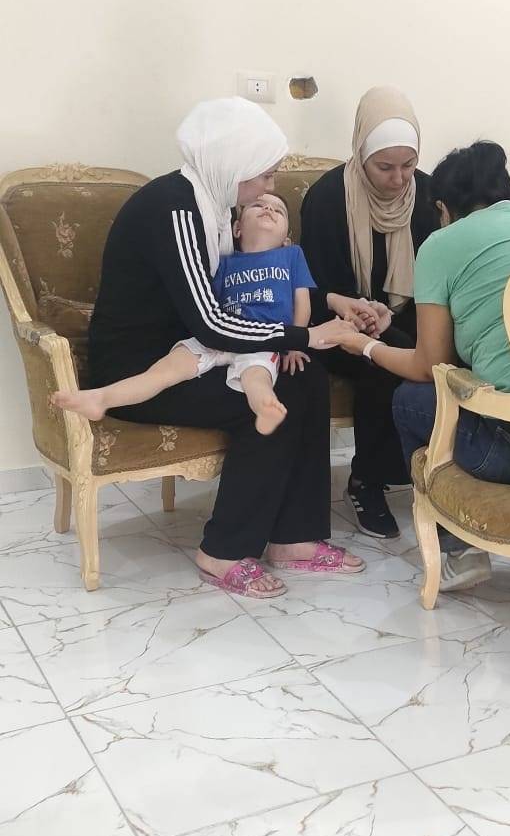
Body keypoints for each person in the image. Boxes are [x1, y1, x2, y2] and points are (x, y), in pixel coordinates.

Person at [86, 97, 364, 599]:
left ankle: (293, 538)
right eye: (264, 176)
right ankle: (224, 551)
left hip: (189, 352)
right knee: (267, 397)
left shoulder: (211, 206)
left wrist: (325, 306)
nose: (268, 189)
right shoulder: (175, 209)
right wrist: (305, 335)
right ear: (233, 165)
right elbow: (212, 322)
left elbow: (250, 287)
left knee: (304, 375)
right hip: (144, 370)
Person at [325, 141, 510, 590]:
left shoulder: (441, 244)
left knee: (411, 399)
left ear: (442, 207)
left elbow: (429, 365)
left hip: (508, 453)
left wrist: (364, 346)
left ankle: (461, 550)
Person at [300, 86, 439, 540]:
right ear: (361, 154)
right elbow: (315, 286)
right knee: (383, 359)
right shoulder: (326, 199)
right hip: (338, 324)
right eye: (385, 167)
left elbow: (436, 277)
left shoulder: (428, 195)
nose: (399, 179)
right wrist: (361, 317)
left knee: (428, 350)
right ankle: (366, 481)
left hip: (408, 317)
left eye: (408, 165)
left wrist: (394, 320)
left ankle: (438, 474)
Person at [54, 193, 312, 436]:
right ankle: (101, 399)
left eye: (278, 210)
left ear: (286, 239)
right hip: (219, 335)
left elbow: (303, 302)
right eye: (258, 205)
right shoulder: (224, 261)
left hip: (261, 342)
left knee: (256, 379)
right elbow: (207, 303)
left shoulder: (292, 255)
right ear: (237, 229)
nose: (268, 208)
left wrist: (294, 344)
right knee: (164, 371)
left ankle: (265, 409)